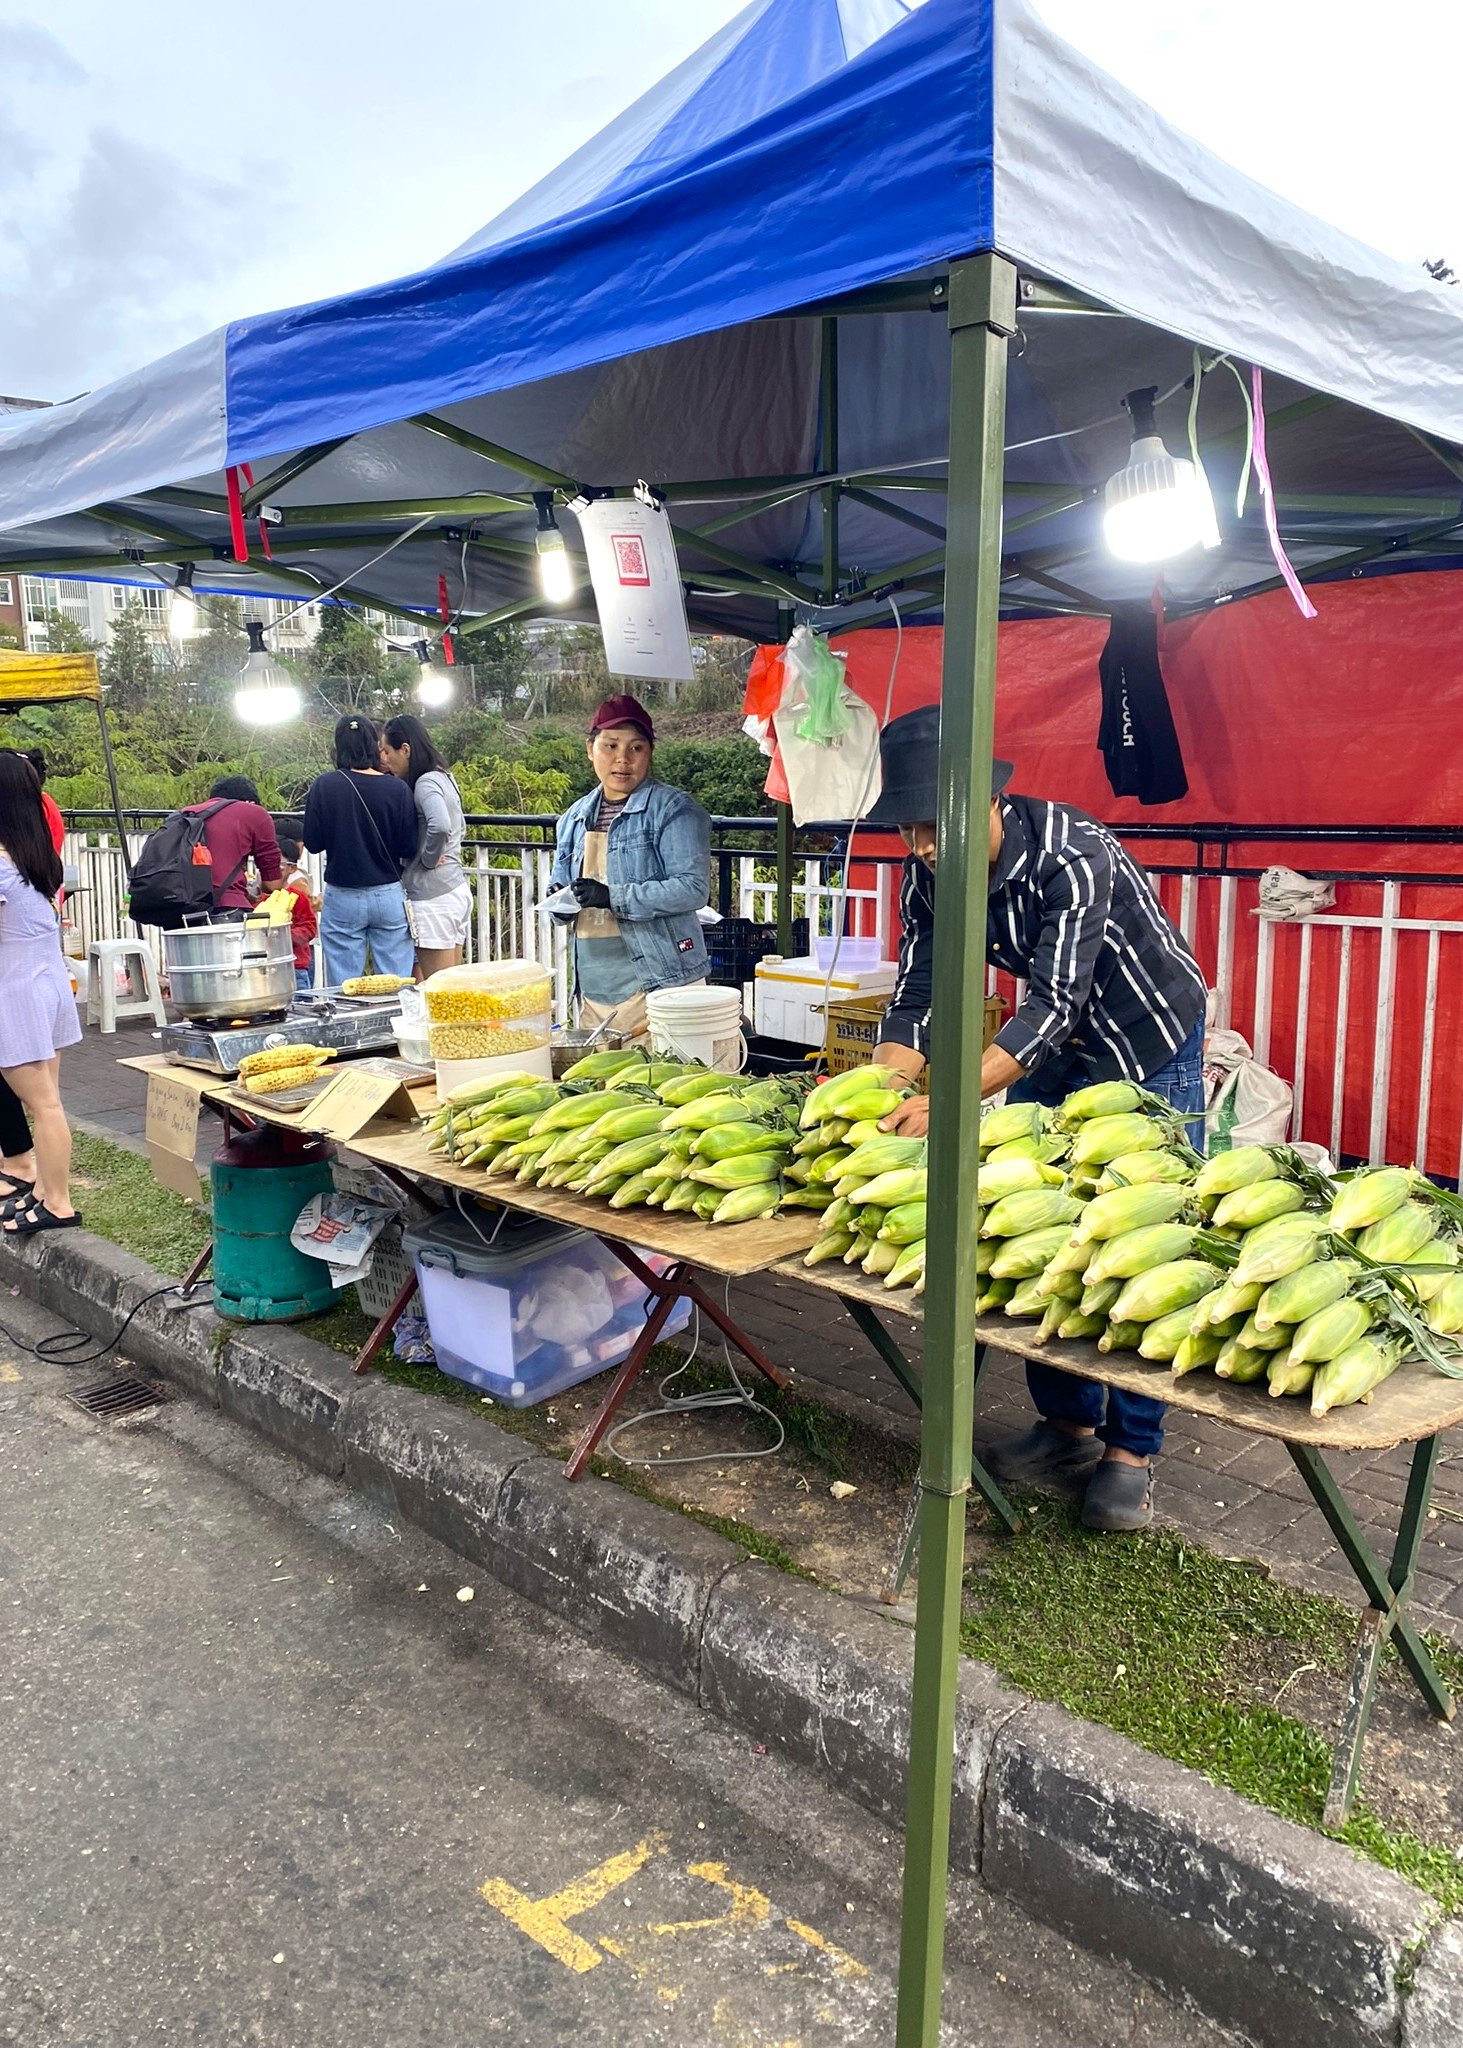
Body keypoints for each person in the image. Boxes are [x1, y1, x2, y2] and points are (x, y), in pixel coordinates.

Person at [867, 705, 1207, 1533]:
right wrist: (878, 1092)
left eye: (929, 826)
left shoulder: (1069, 855)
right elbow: (919, 990)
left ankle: (1131, 1449)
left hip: (1145, 1036)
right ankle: (1066, 1424)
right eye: (907, 829)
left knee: (1137, 1232)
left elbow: (1056, 1003)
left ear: (985, 800)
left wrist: (947, 1100)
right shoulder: (927, 868)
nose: (917, 848)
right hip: (1049, 1049)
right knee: (1035, 1219)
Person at [548, 694, 711, 1040]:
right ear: (590, 748)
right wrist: (557, 902)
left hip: (658, 979)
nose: (622, 760)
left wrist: (613, 896)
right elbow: (561, 889)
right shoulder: (573, 818)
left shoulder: (673, 810)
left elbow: (692, 888)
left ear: (650, 753)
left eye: (636, 748)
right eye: (610, 746)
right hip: (593, 986)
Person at [0, 752, 81, 1235]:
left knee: (45, 1105)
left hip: (17, 991)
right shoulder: (39, 859)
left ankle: (60, 1203)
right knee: (47, 1100)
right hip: (47, 984)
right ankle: (47, 1193)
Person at [302, 715, 418, 988]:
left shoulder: (325, 785)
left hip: (343, 895)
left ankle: (348, 1028)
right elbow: (409, 847)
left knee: (345, 986)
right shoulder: (397, 788)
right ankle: (394, 1025)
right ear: (375, 746)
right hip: (388, 893)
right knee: (395, 983)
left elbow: (313, 843)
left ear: (338, 747)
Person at [378, 714, 471, 976]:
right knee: (452, 986)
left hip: (433, 895)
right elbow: (457, 826)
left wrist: (427, 858)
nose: (385, 759)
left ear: (405, 750)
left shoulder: (425, 782)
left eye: (387, 751)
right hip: (453, 888)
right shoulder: (444, 776)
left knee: (436, 988)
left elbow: (440, 824)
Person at [181, 774, 281, 919]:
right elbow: (272, 885)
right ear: (250, 802)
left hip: (179, 908)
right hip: (226, 909)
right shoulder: (254, 812)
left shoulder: (186, 813)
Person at [276, 834, 319, 993]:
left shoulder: (297, 895)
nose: (272, 868)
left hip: (295, 967)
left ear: (292, 868)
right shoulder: (256, 897)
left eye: (279, 864)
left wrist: (282, 935)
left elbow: (309, 927)